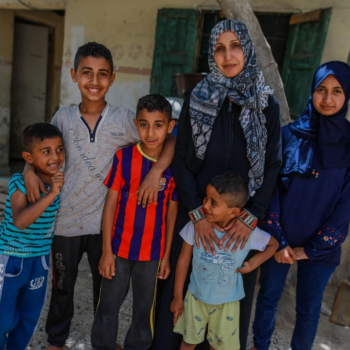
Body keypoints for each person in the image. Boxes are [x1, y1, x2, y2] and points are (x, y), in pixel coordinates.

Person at [22, 42, 175, 350]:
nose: (94, 81)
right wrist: (28, 172)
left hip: (105, 224)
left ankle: (101, 340)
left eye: (102, 74)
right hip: (65, 220)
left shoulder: (125, 120)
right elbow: (41, 153)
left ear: (112, 78)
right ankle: (56, 339)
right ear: (74, 74)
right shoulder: (62, 118)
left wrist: (156, 171)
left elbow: (168, 140)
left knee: (104, 286)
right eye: (87, 73)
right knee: (62, 285)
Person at [152, 19, 281, 350]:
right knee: (181, 298)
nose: (228, 56)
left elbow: (272, 164)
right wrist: (197, 211)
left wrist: (251, 213)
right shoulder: (197, 97)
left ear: (247, 51)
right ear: (211, 55)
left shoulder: (266, 104)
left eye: (235, 46)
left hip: (240, 220)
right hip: (200, 212)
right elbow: (181, 158)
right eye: (219, 48)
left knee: (229, 302)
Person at [251, 61, 350, 350]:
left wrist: (310, 250)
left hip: (322, 247)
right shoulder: (288, 135)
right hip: (278, 240)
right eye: (321, 90)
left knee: (308, 308)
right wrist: (278, 240)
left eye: (337, 91)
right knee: (268, 297)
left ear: (346, 96)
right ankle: (260, 345)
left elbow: (346, 203)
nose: (328, 99)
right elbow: (272, 189)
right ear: (312, 92)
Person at [91, 94, 178, 350]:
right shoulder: (124, 158)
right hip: (118, 250)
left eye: (158, 125)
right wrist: (106, 251)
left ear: (169, 127)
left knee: (144, 312)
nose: (150, 132)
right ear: (135, 123)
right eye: (144, 124)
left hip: (152, 254)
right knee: (107, 307)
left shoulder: (172, 167)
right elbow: (110, 205)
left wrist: (167, 255)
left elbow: (172, 214)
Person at [171, 172, 278, 350]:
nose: (204, 205)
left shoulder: (247, 234)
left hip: (227, 304)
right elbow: (183, 261)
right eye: (206, 198)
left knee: (219, 346)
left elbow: (273, 245)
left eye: (213, 203)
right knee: (189, 341)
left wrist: (253, 264)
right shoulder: (196, 226)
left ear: (234, 212)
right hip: (195, 298)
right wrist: (177, 297)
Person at [0, 123, 64, 349]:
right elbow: (20, 221)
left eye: (59, 149)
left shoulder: (58, 180)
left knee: (29, 317)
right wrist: (52, 194)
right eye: (46, 151)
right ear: (28, 157)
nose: (55, 157)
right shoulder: (20, 182)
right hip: (11, 259)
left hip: (39, 261)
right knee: (3, 317)